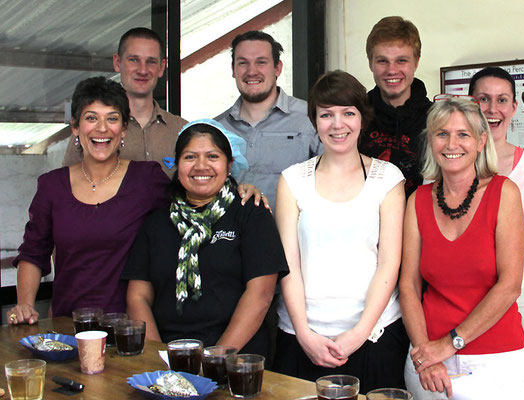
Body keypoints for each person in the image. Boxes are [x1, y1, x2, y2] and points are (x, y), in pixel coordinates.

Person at [273, 70, 407, 393]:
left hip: (375, 336)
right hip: (301, 338)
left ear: (362, 118)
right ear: (314, 121)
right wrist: (304, 334)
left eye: (348, 113)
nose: (338, 124)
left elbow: (389, 264)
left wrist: (359, 333)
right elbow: (287, 265)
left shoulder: (388, 179)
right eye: (326, 115)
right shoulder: (292, 180)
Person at [399, 96, 524, 399]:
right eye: (442, 133)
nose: (452, 143)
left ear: (480, 141)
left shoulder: (504, 193)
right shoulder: (418, 200)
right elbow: (408, 284)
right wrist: (425, 354)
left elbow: (510, 285)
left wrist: (448, 345)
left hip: (496, 362)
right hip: (428, 362)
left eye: (463, 134)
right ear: (431, 140)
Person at [7, 76, 170, 325]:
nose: (102, 128)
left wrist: (243, 189)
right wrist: (25, 305)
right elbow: (33, 252)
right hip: (68, 327)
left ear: (124, 128)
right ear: (75, 127)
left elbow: (188, 214)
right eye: (91, 117)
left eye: (112, 118)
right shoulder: (52, 186)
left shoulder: (147, 179)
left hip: (132, 331)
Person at [121, 119, 289, 356]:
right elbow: (138, 296)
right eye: (190, 157)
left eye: (212, 156)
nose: (201, 166)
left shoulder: (251, 214)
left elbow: (260, 295)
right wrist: (158, 358)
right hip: (167, 357)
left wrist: (215, 357)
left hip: (235, 359)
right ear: (177, 165)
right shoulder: (157, 221)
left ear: (229, 165)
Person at [469, 67, 524, 400]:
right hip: (465, 298)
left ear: (513, 107)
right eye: (484, 99)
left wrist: (468, 244)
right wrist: (510, 240)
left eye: (502, 100)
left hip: (522, 296)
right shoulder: (454, 162)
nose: (493, 109)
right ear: (470, 103)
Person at [215, 30, 322, 212]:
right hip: (231, 237)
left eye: (261, 62)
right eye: (243, 63)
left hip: (292, 237)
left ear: (278, 68)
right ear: (233, 70)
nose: (251, 71)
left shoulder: (311, 118)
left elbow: (334, 180)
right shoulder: (216, 129)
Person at [63, 27, 187, 177]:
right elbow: (67, 188)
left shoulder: (182, 131)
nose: (143, 70)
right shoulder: (93, 130)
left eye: (151, 62)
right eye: (134, 60)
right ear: (117, 62)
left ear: (161, 67)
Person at [359, 16, 432, 196]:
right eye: (382, 61)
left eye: (401, 60)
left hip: (420, 221)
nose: (392, 70)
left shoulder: (437, 119)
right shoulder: (354, 117)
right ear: (370, 62)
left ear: (416, 62)